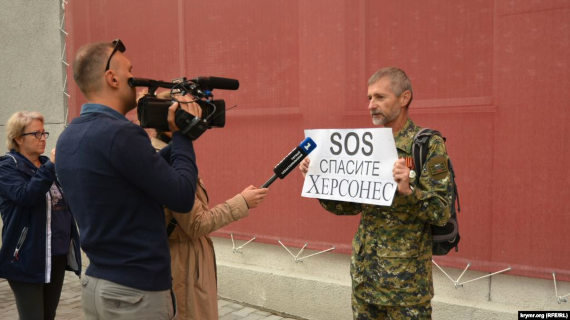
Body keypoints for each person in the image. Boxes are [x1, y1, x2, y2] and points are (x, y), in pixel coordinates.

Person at [55, 39, 201, 319]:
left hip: (97, 285)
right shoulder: (121, 134)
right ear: (112, 78)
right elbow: (182, 197)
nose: (136, 78)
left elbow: (133, 176)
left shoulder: (69, 137)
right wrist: (183, 135)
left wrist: (176, 146)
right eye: (130, 71)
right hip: (136, 294)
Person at [299, 67, 452, 319]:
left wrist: (410, 192)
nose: (371, 105)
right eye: (369, 98)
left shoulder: (426, 144)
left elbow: (441, 212)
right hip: (364, 280)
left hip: (406, 289)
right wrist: (319, 182)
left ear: (404, 98)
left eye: (380, 97)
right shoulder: (367, 145)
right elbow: (349, 207)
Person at [149, 129, 269, 320]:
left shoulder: (157, 153)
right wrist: (242, 202)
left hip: (184, 260)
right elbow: (196, 224)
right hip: (184, 265)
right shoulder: (169, 161)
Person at [0, 111, 81, 320]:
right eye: (36, 134)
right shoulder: (7, 167)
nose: (43, 138)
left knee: (48, 315)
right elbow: (25, 196)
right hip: (26, 256)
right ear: (18, 138)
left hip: (56, 256)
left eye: (44, 133)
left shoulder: (48, 166)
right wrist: (51, 166)